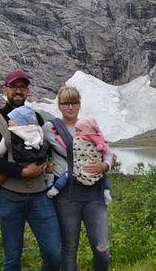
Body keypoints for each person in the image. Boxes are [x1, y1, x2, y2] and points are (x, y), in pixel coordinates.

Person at [0, 69, 61, 271]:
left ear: (28, 90)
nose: (18, 90)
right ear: (5, 90)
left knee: (54, 254)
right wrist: (21, 172)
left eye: (23, 86)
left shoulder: (37, 118)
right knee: (12, 259)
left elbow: (47, 149)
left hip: (40, 196)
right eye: (14, 86)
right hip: (10, 197)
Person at [43, 85, 114, 271]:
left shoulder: (89, 125)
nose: (70, 107)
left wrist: (105, 166)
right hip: (66, 197)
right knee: (69, 248)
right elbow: (38, 151)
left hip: (94, 195)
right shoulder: (50, 129)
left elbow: (106, 151)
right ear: (59, 105)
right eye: (65, 103)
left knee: (102, 248)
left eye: (74, 102)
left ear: (79, 105)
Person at [46, 115, 112, 205]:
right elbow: (66, 146)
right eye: (76, 130)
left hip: (89, 167)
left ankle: (106, 191)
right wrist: (58, 137)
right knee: (68, 174)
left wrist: (105, 165)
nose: (76, 133)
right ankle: (56, 188)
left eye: (79, 131)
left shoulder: (94, 141)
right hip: (80, 167)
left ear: (88, 130)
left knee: (102, 175)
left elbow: (107, 153)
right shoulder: (82, 140)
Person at [0, 105, 53, 192]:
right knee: (47, 165)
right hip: (37, 159)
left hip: (20, 160)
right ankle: (50, 180)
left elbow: (1, 150)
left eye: (12, 120)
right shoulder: (37, 130)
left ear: (19, 122)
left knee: (4, 171)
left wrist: (1, 155)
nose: (9, 121)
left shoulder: (11, 133)